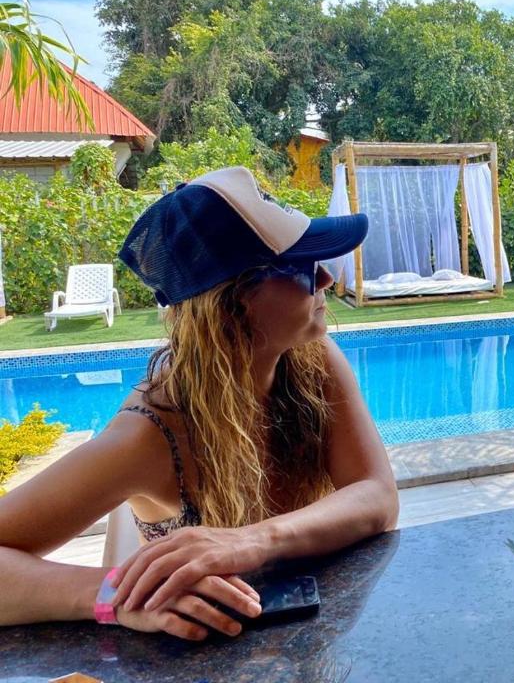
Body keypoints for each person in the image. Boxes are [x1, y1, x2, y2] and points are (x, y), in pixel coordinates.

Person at [0, 166, 399, 640]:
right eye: (305, 267)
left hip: (301, 638)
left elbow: (377, 494)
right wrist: (114, 596)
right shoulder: (150, 434)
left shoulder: (309, 358)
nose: (328, 278)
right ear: (234, 302)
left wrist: (251, 541)